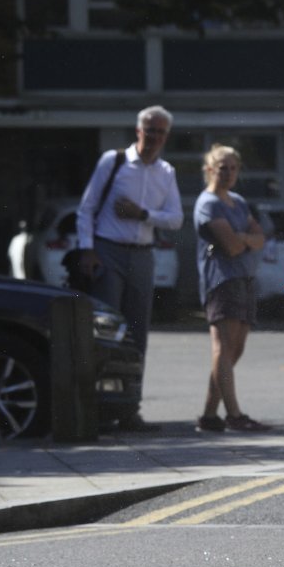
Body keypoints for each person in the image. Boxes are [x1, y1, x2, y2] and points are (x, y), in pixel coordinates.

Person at [74, 105, 185, 432]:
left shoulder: (166, 172)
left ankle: (129, 409)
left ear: (166, 136)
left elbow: (176, 219)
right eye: (149, 130)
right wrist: (88, 250)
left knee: (138, 334)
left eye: (160, 132)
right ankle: (98, 408)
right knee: (107, 331)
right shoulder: (114, 161)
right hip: (108, 252)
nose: (154, 137)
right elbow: (86, 209)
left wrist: (143, 214)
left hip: (142, 255)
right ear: (138, 131)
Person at [193, 144, 273, 434]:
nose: (227, 173)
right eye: (221, 167)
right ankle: (234, 415)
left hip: (244, 278)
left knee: (233, 351)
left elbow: (259, 238)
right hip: (221, 280)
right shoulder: (208, 203)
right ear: (210, 169)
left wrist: (244, 238)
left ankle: (209, 415)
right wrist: (244, 238)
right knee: (223, 348)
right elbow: (232, 245)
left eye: (233, 167)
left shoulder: (237, 201)